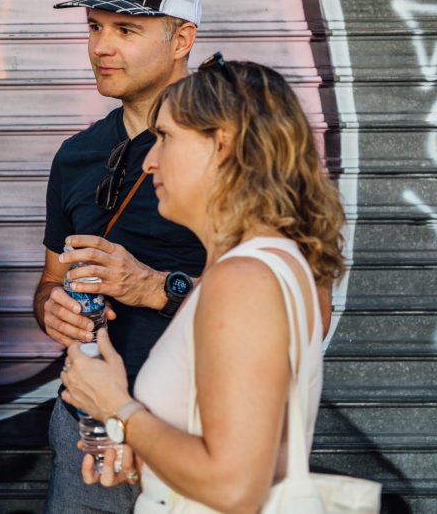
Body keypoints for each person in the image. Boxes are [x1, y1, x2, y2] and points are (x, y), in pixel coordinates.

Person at [60, 58, 344, 511]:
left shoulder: (244, 280)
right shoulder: (269, 263)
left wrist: (117, 407)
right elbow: (226, 450)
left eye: (167, 137)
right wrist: (141, 454)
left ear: (222, 146)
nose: (149, 161)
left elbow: (235, 487)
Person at [34, 0, 209, 513]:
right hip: (87, 426)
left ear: (181, 40)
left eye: (126, 29)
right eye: (94, 26)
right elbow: (50, 281)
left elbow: (308, 305)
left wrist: (157, 287)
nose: (101, 46)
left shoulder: (233, 145)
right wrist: (51, 309)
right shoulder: (76, 155)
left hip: (197, 429)